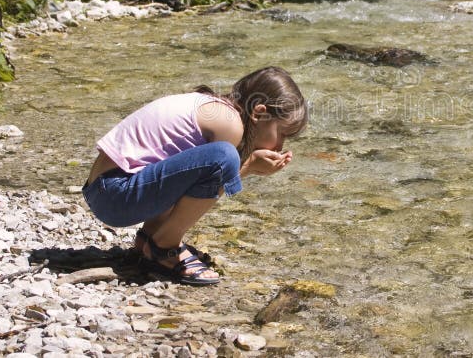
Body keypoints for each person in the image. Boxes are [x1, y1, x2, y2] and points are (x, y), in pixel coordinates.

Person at [83, 66, 307, 286]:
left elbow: (182, 175)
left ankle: (150, 237)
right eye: (282, 133)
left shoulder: (212, 106)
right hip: (115, 196)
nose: (280, 145)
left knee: (205, 162)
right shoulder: (230, 124)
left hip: (105, 190)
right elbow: (218, 174)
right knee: (225, 157)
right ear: (259, 113)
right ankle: (164, 248)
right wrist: (248, 166)